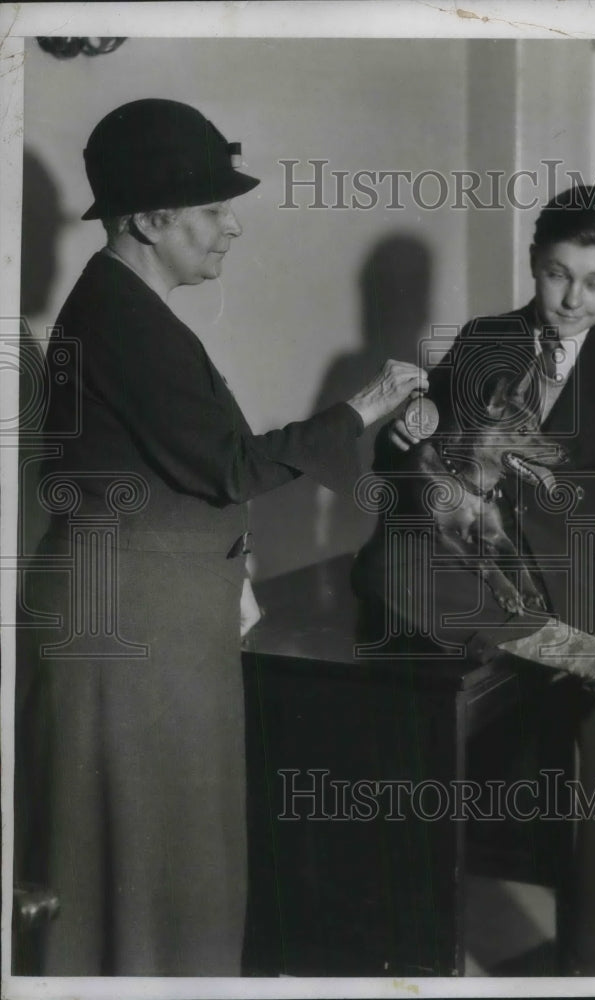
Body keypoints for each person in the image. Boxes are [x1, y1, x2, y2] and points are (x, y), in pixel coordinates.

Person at [13, 98, 428, 976]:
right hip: (131, 640)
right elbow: (232, 468)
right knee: (143, 867)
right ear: (150, 222)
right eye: (211, 211)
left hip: (150, 626)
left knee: (163, 866)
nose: (230, 228)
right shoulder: (119, 315)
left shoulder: (121, 308)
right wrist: (365, 403)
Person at [359, 185, 595, 975]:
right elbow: (410, 464)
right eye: (554, 275)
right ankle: (399, 951)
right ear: (532, 263)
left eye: (594, 281)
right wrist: (408, 434)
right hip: (486, 589)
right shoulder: (482, 341)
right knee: (390, 599)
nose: (571, 299)